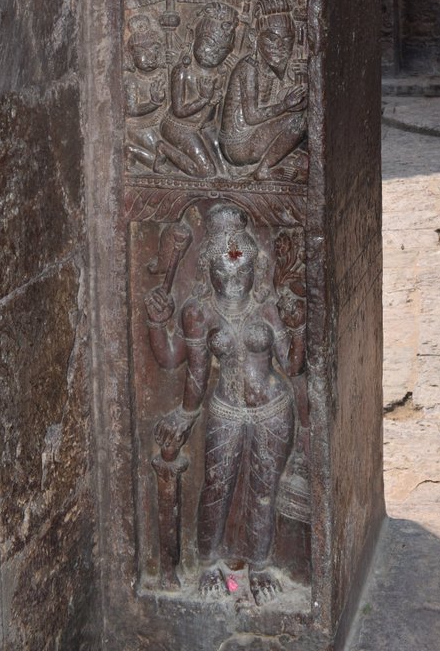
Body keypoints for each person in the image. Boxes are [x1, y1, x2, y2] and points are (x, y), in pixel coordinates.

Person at [144, 204, 305, 604]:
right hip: (225, 409)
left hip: (272, 409)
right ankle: (211, 561)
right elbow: (182, 365)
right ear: (208, 272)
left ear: (254, 270)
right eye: (223, 271)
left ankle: (260, 564)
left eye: (242, 271)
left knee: (264, 489)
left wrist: (298, 326)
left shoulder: (267, 308)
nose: (233, 281)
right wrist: (155, 322)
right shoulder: (199, 312)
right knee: (216, 485)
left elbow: (292, 363)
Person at [219, 0, 307, 179]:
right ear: (254, 37)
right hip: (238, 143)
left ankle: (272, 165)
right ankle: (263, 169)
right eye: (272, 39)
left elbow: (283, 97)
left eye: (287, 40)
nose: (281, 47)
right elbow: (251, 116)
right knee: (299, 122)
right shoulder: (248, 67)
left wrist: (302, 78)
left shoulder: (272, 66)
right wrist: (285, 105)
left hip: (254, 137)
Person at [155, 2, 237, 177]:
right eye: (209, 42)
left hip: (205, 128)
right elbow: (178, 110)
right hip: (178, 127)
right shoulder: (183, 71)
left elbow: (217, 116)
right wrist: (204, 99)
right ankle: (163, 150)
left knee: (225, 170)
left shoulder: (220, 73)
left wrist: (216, 101)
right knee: (206, 172)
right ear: (194, 39)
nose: (214, 52)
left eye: (223, 49)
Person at [124, 14, 167, 170]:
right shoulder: (132, 80)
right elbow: (130, 110)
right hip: (139, 128)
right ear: (130, 57)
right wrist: (153, 103)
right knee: (162, 158)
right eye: (142, 52)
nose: (150, 57)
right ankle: (132, 150)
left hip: (160, 124)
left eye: (154, 51)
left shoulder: (163, 75)